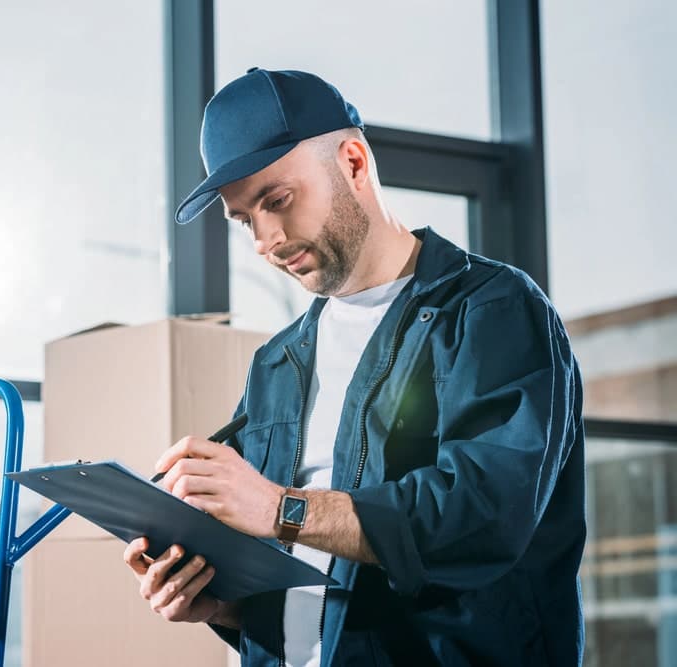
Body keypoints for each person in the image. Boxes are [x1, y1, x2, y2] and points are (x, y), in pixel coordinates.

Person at [122, 68, 586, 666]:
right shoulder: (278, 361)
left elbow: (484, 516)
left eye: (277, 200)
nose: (265, 238)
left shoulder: (491, 310)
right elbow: (301, 579)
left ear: (353, 162)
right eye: (245, 220)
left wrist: (279, 508)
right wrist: (221, 606)